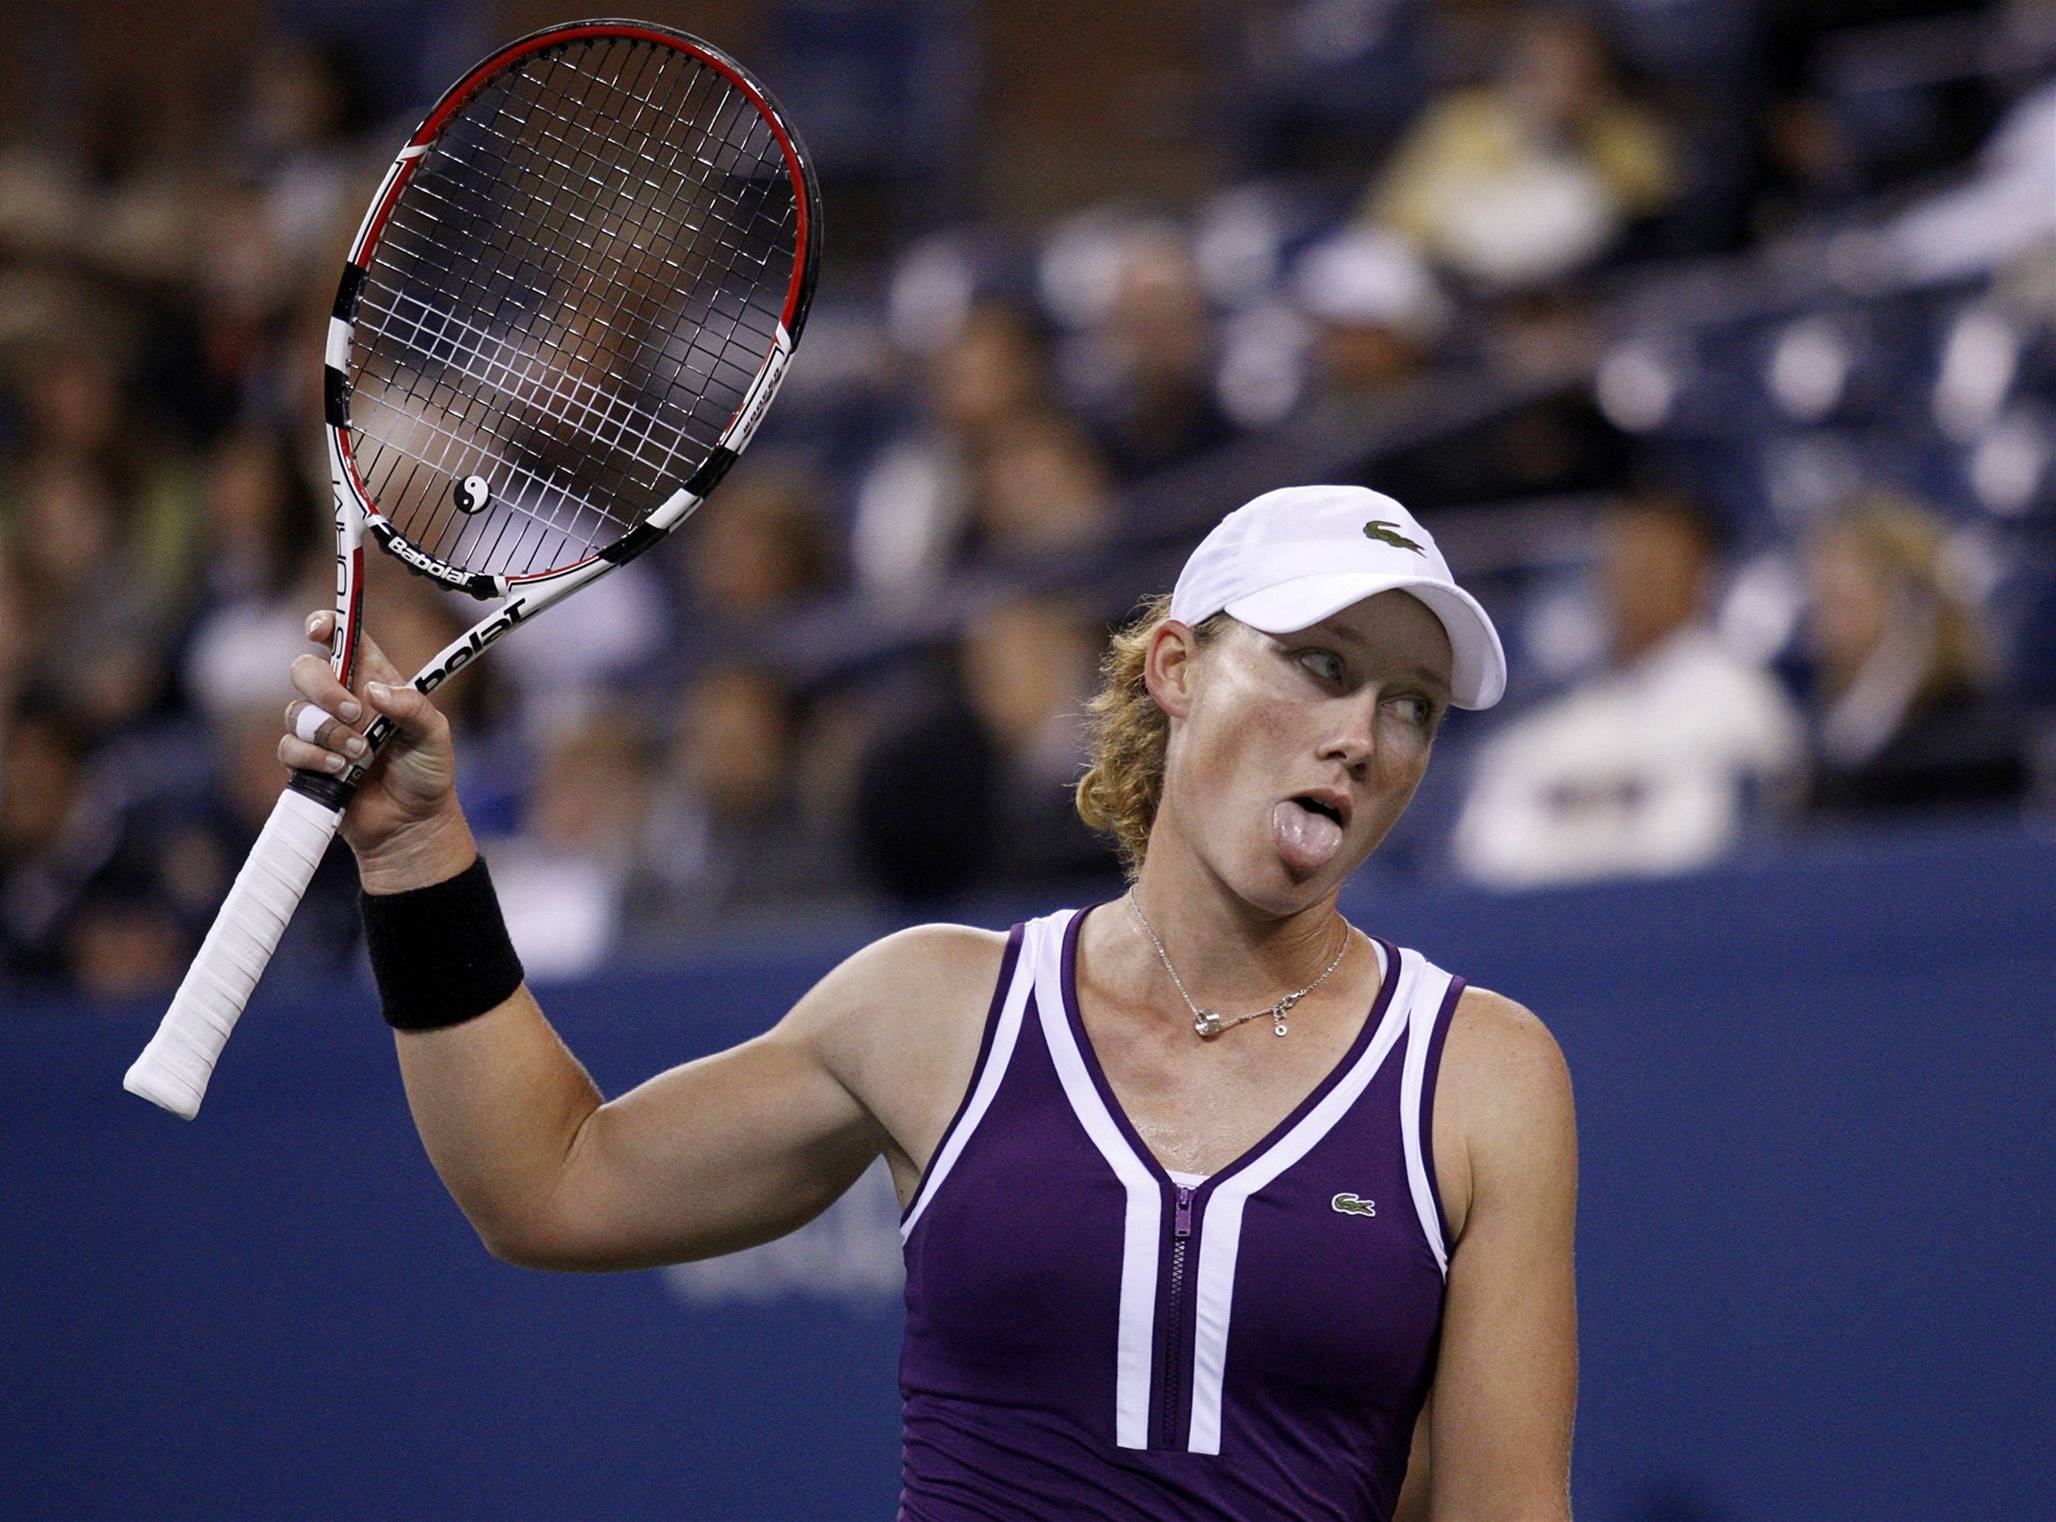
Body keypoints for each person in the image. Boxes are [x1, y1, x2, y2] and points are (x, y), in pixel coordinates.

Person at [278, 485, 1577, 1520]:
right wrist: (415, 854)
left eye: (1411, 706)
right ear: (1178, 667)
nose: (1363, 735)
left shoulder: (1482, 1075)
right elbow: (548, 1182)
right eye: (1320, 663)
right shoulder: (931, 1007)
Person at [1453, 493, 1804, 888]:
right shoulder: (1566, 709)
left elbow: (1719, 839)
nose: (1633, 583)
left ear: (1700, 577)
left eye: (1653, 568)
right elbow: (1486, 853)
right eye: (1622, 564)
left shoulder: (1742, 698)